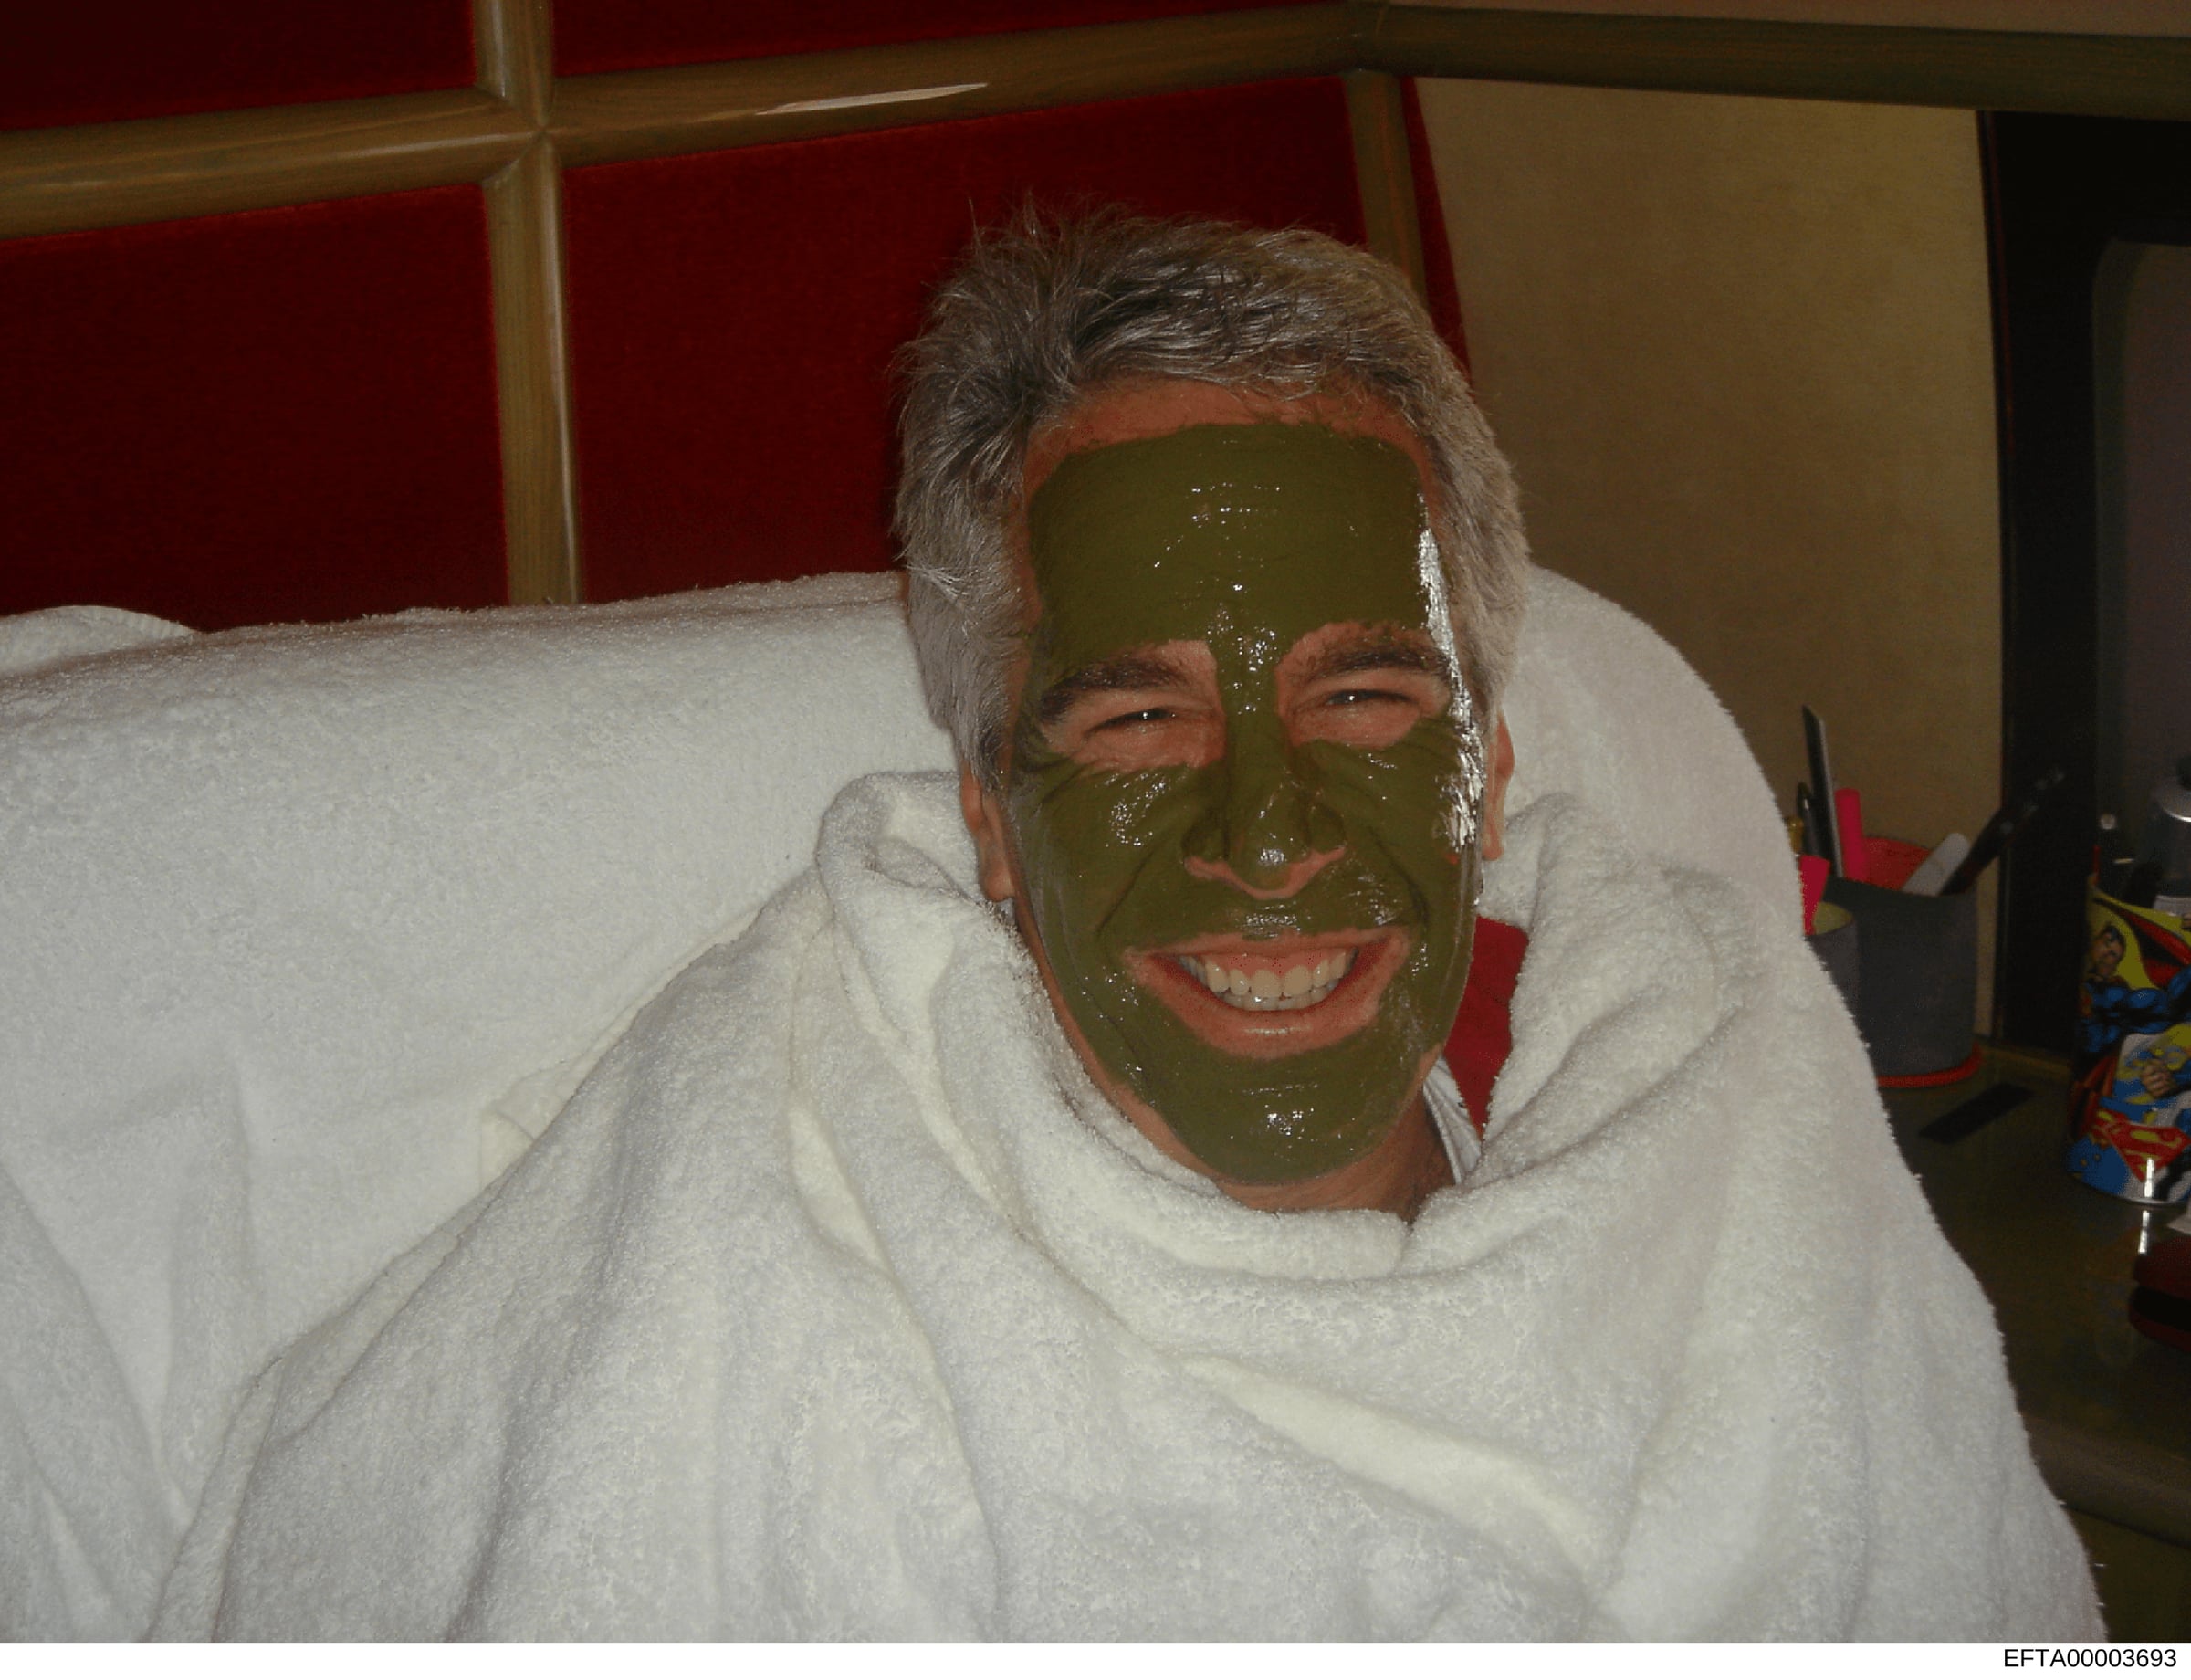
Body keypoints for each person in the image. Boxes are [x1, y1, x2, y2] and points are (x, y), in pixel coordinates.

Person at [154, 214, 2099, 1641]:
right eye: (1141, 716)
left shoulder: (1729, 1097)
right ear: (997, 818)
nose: (1267, 833)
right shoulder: (777, 1219)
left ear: (1490, 776)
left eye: (1361, 699)